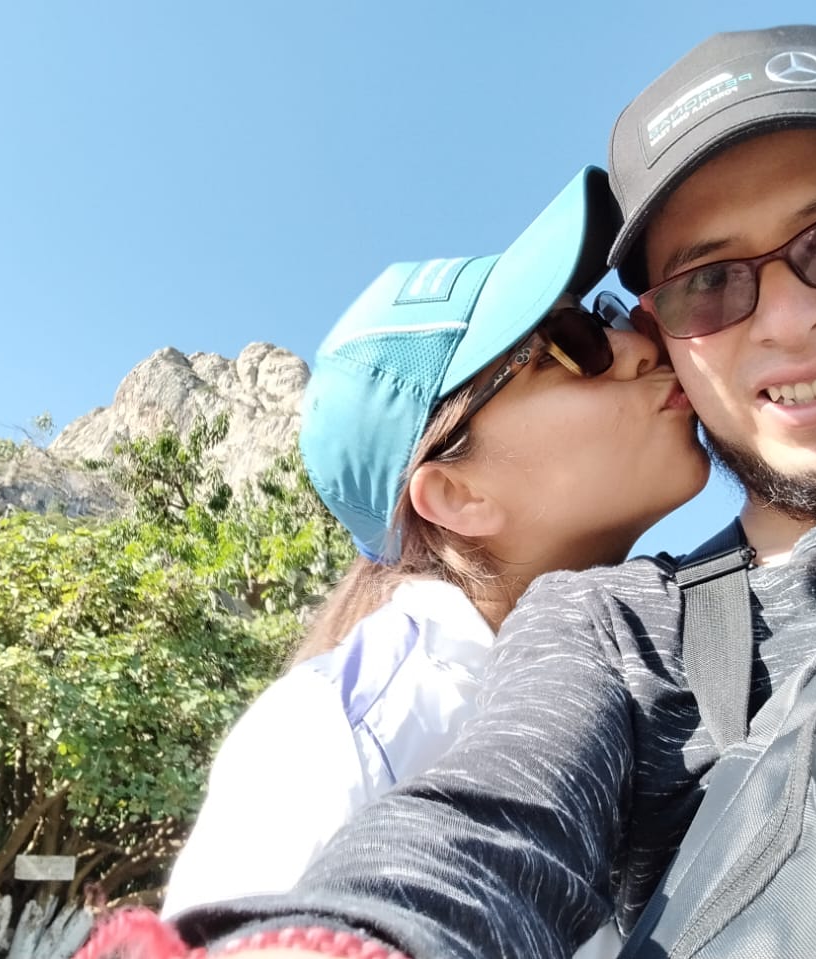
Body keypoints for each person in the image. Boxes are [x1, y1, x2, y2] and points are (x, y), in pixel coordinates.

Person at [77, 23, 816, 959]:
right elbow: (486, 828)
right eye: (575, 344)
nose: (789, 316)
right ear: (454, 496)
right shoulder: (574, 643)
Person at [156, 166, 709, 959]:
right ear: (456, 494)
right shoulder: (333, 734)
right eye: (571, 345)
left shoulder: (669, 652)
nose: (637, 343)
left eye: (603, 315)